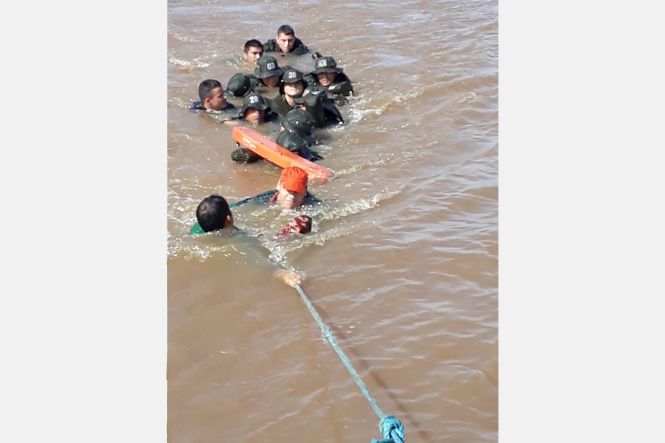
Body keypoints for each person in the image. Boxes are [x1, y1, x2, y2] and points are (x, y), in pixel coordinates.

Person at [191, 194, 302, 287]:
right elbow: (261, 256)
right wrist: (282, 273)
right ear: (229, 219)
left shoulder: (195, 231)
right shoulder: (239, 238)